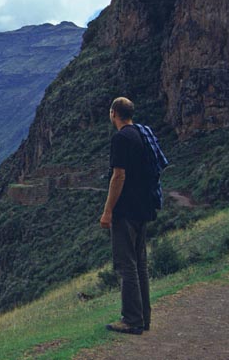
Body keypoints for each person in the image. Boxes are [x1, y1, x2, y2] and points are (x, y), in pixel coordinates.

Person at [100, 96, 153, 335]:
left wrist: (108, 210)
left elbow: (118, 176)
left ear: (114, 113)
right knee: (140, 264)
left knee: (126, 265)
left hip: (126, 210)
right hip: (143, 207)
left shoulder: (121, 138)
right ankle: (143, 317)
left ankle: (131, 319)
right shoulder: (141, 134)